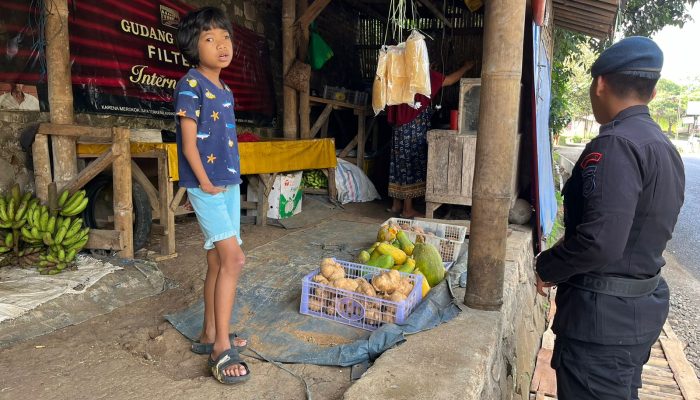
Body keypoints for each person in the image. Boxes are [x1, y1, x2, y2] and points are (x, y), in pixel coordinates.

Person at [535, 36, 685, 400]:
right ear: (651, 93)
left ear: (599, 83)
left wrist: (546, 267)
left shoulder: (615, 145)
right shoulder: (663, 147)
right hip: (633, 313)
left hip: (601, 325)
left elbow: (600, 241)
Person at [175, 6, 250, 385]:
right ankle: (222, 346)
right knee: (233, 259)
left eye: (225, 37)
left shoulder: (226, 89)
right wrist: (204, 184)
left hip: (228, 182)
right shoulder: (190, 84)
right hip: (207, 185)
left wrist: (223, 181)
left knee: (218, 261)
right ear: (193, 47)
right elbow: (188, 145)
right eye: (209, 39)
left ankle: (209, 333)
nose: (221, 45)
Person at [386, 61, 474, 218]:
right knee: (410, 166)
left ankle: (396, 205)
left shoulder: (400, 74)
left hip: (398, 129)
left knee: (398, 164)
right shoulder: (425, 76)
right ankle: (407, 209)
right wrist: (466, 67)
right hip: (413, 129)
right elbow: (450, 80)